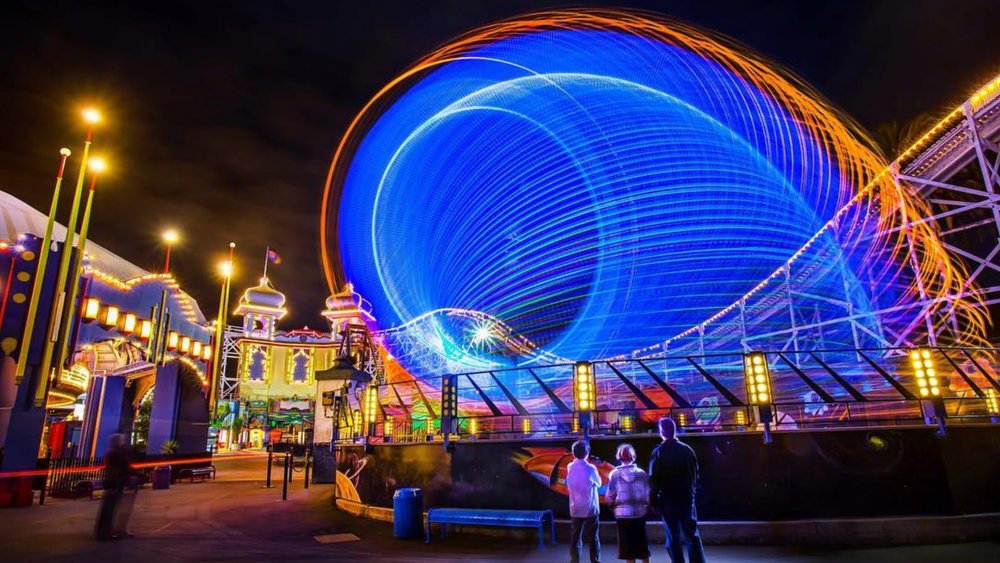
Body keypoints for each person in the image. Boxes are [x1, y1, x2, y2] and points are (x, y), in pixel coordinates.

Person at [649, 417, 705, 563]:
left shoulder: (658, 452)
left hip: (667, 500)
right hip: (686, 498)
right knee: (692, 535)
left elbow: (654, 478)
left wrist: (653, 502)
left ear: (661, 432)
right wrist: (692, 494)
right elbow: (695, 475)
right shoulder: (687, 450)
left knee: (672, 537)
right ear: (675, 430)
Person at [607, 443, 650, 563]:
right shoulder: (641, 473)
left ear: (619, 457)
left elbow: (610, 496)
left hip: (622, 515)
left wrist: (612, 505)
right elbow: (647, 493)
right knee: (642, 547)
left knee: (628, 549)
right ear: (633, 457)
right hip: (639, 513)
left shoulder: (614, 474)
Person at [566, 439, 602, 563]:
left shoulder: (570, 467)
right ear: (587, 453)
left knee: (575, 537)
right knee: (593, 537)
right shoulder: (591, 468)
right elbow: (598, 483)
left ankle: (574, 560)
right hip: (590, 508)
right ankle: (595, 560)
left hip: (575, 508)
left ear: (573, 453)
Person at [94, 434, 132, 540]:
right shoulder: (115, 453)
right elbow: (120, 468)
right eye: (121, 440)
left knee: (109, 508)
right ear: (117, 441)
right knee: (109, 508)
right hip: (114, 483)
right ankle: (105, 531)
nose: (123, 441)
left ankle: (105, 530)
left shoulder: (113, 452)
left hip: (114, 482)